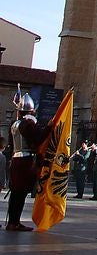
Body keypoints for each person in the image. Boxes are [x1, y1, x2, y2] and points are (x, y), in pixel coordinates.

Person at [6, 92, 49, 231]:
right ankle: (14, 222)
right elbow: (38, 139)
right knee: (21, 192)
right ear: (30, 111)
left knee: (15, 192)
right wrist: (49, 128)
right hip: (25, 160)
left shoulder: (14, 124)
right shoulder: (27, 124)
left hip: (15, 159)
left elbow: (11, 145)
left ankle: (12, 221)